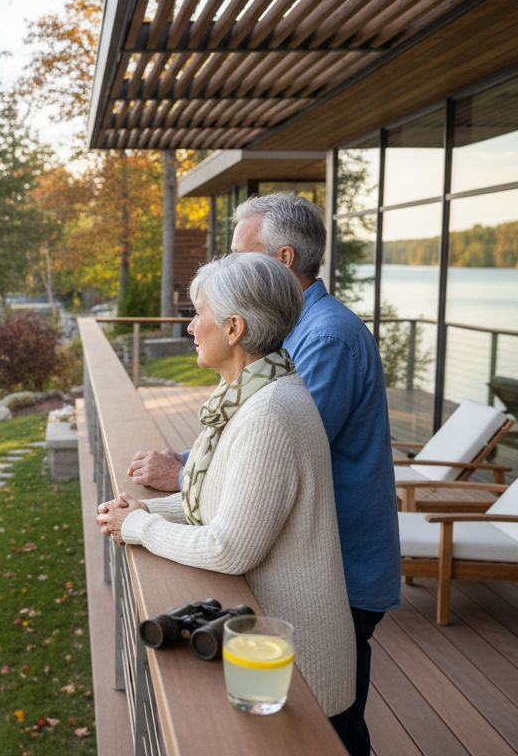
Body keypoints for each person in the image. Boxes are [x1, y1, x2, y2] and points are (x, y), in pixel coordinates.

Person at [126, 194, 399, 755]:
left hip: (332, 570)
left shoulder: (321, 342)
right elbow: (241, 465)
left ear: (281, 259)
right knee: (328, 725)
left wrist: (147, 521)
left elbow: (261, 471)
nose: (190, 326)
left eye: (240, 255)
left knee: (331, 731)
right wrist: (151, 506)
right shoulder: (267, 374)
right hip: (302, 569)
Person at [97, 251, 356, 719]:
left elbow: (229, 547)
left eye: (199, 315)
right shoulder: (255, 394)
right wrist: (145, 511)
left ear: (234, 329)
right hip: (268, 648)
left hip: (297, 671)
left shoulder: (269, 415)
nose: (191, 328)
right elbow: (226, 499)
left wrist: (139, 528)